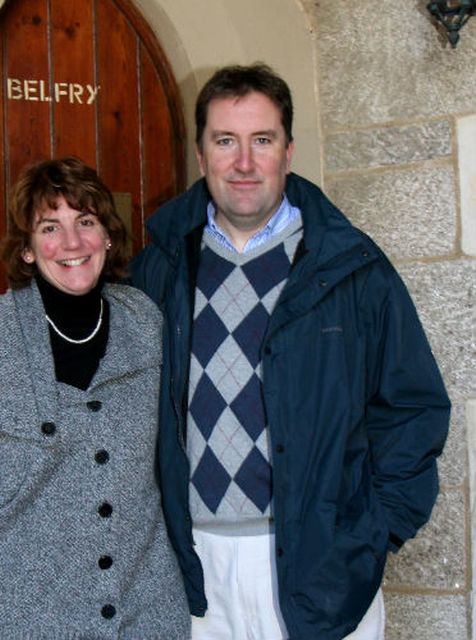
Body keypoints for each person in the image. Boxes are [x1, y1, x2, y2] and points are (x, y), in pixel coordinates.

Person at [129, 63, 451, 640]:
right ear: (201, 156)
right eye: (225, 141)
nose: (244, 162)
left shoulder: (352, 268)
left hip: (321, 564)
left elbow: (413, 407)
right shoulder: (160, 268)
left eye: (262, 140)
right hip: (195, 572)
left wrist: (373, 532)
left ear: (288, 151)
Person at [0, 157, 190, 640]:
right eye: (50, 227)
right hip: (25, 619)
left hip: (147, 615)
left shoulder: (146, 323)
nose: (72, 243)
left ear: (107, 237)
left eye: (86, 222)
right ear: (28, 249)